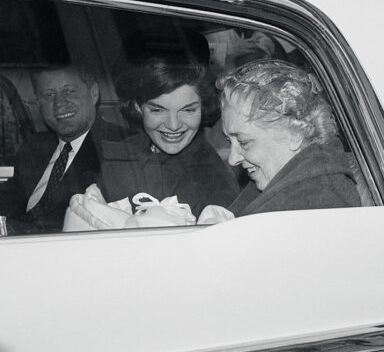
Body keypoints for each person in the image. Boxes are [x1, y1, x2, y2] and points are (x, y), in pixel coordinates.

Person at [98, 55, 239, 217]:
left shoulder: (214, 183)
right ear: (138, 107)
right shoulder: (119, 154)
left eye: (188, 110)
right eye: (158, 110)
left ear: (202, 109)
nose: (173, 125)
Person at [216, 59, 361, 217]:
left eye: (244, 142)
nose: (232, 159)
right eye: (230, 141)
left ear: (294, 135)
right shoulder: (285, 182)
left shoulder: (315, 205)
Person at [0, 63, 125, 233]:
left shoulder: (121, 146)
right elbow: (7, 200)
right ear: (38, 103)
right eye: (49, 94)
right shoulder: (34, 147)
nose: (59, 103)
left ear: (93, 93)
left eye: (69, 91)